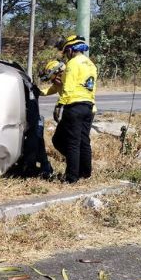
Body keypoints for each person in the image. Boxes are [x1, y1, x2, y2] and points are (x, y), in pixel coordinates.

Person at [40, 35, 98, 183]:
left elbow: (68, 87)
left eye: (66, 52)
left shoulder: (72, 63)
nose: (66, 55)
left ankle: (72, 177)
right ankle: (85, 173)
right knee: (84, 142)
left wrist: (59, 105)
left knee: (72, 143)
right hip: (89, 106)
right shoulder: (91, 65)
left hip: (74, 106)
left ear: (71, 50)